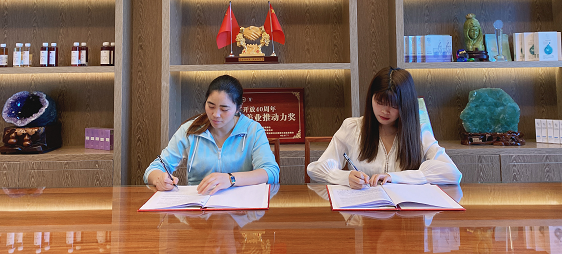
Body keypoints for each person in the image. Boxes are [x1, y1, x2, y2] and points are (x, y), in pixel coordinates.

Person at [307, 67, 461, 189]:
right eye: (379, 102)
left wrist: (395, 177)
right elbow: (315, 169)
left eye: (393, 105)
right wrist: (345, 177)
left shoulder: (419, 131)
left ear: (405, 105)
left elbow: (453, 174)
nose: (385, 111)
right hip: (365, 212)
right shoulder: (352, 128)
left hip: (407, 213)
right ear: (371, 98)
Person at [144, 75, 279, 193]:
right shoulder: (190, 130)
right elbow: (155, 168)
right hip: (198, 204)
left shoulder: (253, 130)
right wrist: (159, 179)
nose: (216, 114)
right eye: (211, 106)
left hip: (240, 206)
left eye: (224, 109)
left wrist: (230, 179)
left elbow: (271, 172)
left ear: (238, 108)